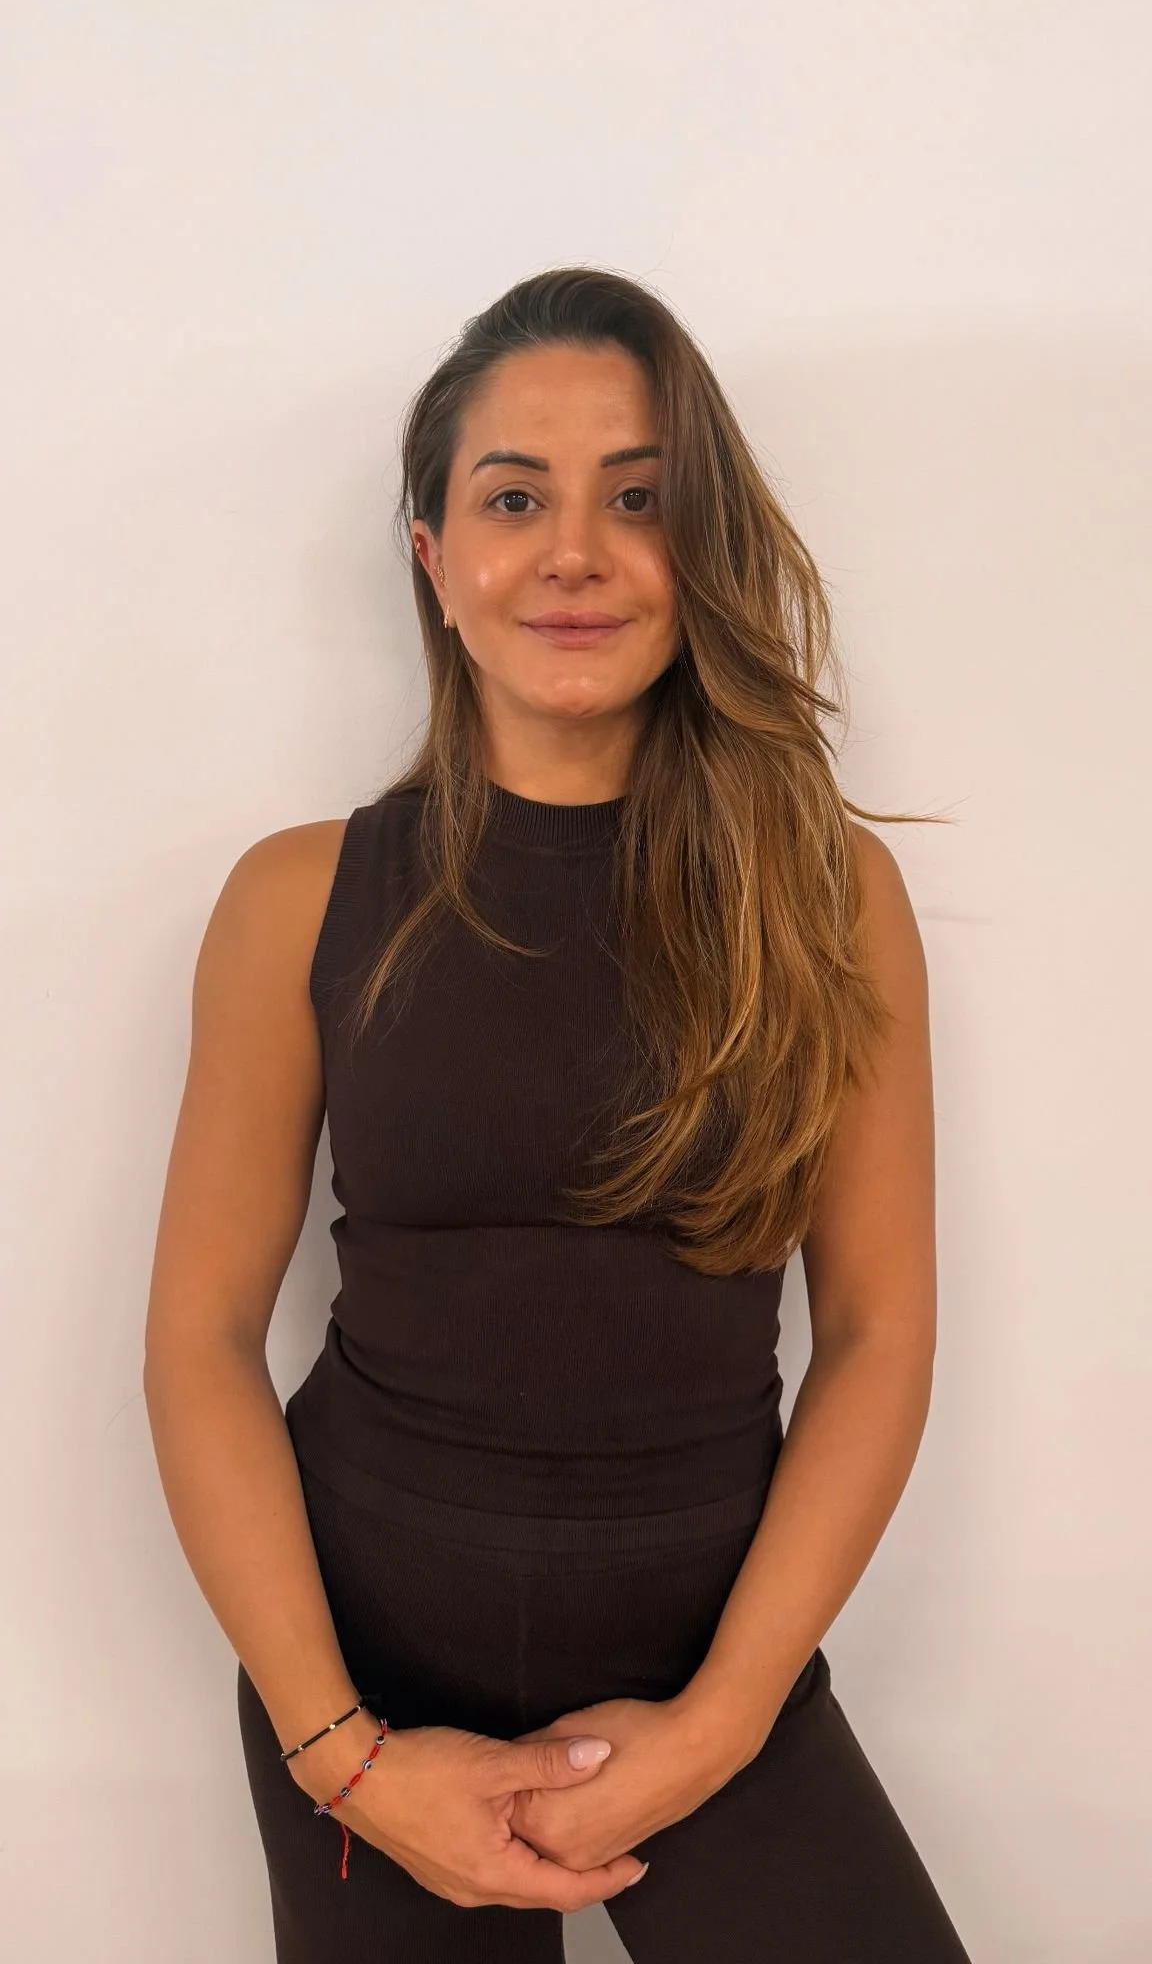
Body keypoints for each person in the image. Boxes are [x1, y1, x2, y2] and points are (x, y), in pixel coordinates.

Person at [143, 264, 972, 1961]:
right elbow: (200, 1339)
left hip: (714, 1681)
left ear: (703, 548)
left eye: (640, 499)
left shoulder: (827, 897)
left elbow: (880, 1332)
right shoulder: (299, 899)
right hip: (362, 1693)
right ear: (435, 558)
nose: (576, 552)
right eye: (514, 499)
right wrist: (339, 1753)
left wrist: (723, 1724)